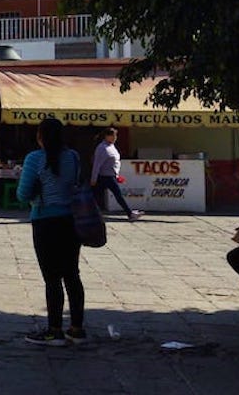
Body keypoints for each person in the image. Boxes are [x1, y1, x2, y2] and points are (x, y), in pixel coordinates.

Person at [17, 117, 88, 346]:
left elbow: (23, 194)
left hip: (45, 220)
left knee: (52, 278)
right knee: (72, 275)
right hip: (70, 221)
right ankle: (76, 328)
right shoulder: (73, 157)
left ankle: (54, 329)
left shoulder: (34, 159)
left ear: (40, 136)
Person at [90, 127, 144, 221]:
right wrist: (93, 178)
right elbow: (97, 164)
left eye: (115, 136)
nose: (115, 138)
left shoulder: (112, 146)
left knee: (97, 195)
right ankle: (130, 213)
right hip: (105, 176)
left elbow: (115, 162)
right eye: (113, 136)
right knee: (116, 195)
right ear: (107, 136)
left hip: (111, 175)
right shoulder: (102, 148)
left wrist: (117, 175)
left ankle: (91, 213)